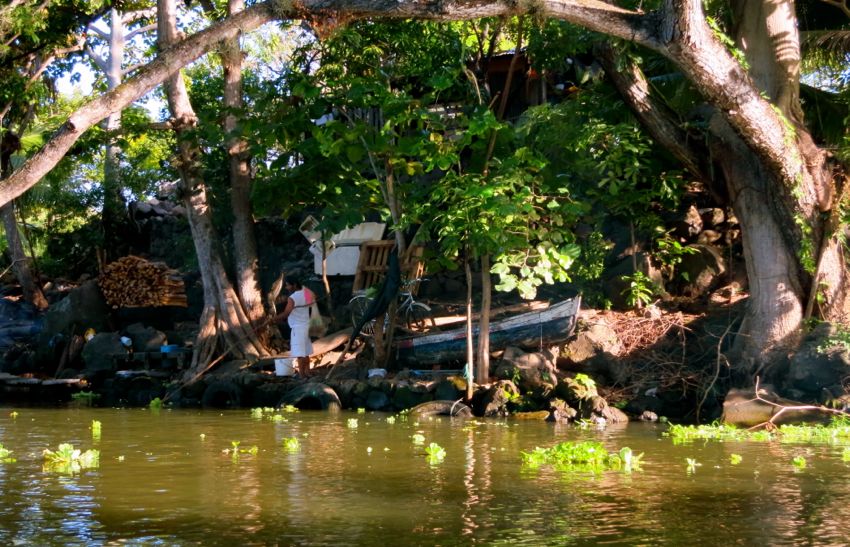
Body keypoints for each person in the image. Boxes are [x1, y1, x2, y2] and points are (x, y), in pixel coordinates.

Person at [278, 275, 314, 377]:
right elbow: (310, 305)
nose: (286, 288)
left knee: (299, 354)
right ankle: (308, 372)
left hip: (297, 328)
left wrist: (273, 319)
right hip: (306, 326)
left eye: (287, 285)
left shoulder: (292, 298)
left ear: (294, 285)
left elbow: (286, 313)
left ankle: (302, 375)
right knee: (306, 352)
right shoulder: (306, 293)